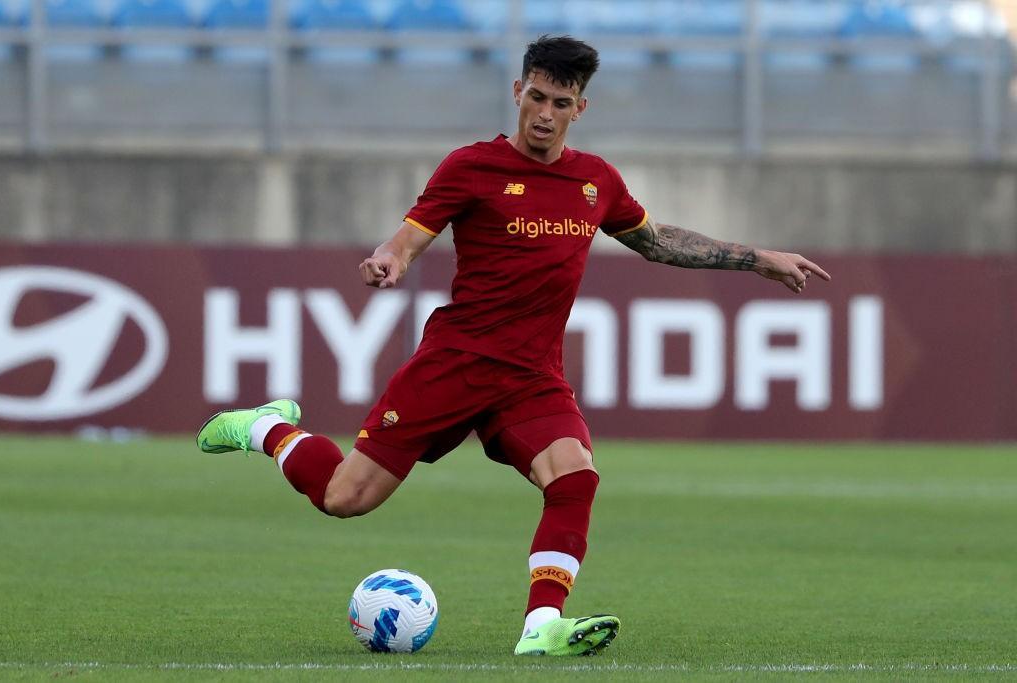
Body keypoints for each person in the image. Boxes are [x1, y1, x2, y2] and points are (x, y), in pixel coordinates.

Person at [196, 35, 830, 657]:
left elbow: (657, 240)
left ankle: (541, 626)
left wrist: (755, 260)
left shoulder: (596, 181)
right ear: (517, 91)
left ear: (581, 109)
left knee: (575, 476)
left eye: (561, 103)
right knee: (345, 498)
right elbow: (408, 239)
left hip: (531, 377)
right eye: (537, 97)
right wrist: (387, 261)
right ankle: (266, 428)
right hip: (457, 363)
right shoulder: (472, 166)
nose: (546, 115)